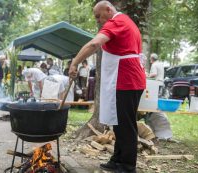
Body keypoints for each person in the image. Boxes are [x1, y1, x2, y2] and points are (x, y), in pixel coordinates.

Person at [68, 1, 146, 173]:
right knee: (119, 123)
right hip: (127, 78)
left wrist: (75, 62)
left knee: (126, 124)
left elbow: (94, 44)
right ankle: (117, 159)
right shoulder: (125, 21)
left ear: (108, 10)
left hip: (127, 79)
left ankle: (127, 165)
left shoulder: (117, 22)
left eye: (98, 16)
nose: (98, 21)